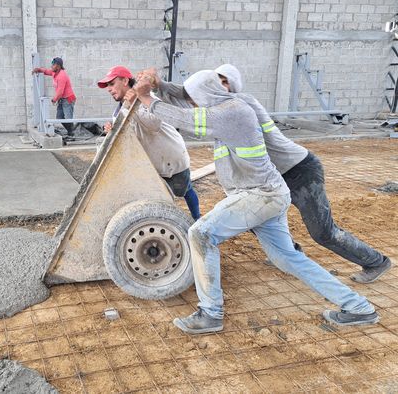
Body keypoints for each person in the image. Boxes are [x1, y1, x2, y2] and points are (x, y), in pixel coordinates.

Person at [128, 70, 378, 333]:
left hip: (259, 195)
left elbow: (184, 117)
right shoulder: (225, 105)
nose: (191, 102)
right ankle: (358, 307)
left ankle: (210, 313)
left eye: (194, 98)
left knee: (201, 233)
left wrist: (146, 97)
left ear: (207, 94)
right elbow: (183, 99)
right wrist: (159, 85)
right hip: (267, 193)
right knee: (287, 258)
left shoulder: (231, 112)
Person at [151, 64, 391, 284]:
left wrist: (153, 93)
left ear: (233, 86)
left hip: (299, 172)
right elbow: (188, 96)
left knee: (323, 232)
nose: (221, 86)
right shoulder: (220, 106)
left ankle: (376, 262)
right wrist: (159, 85)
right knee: (251, 216)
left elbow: (187, 112)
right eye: (217, 81)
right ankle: (290, 253)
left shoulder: (240, 105)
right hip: (268, 179)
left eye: (225, 81)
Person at [97, 65, 200, 219]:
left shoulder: (148, 98)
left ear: (125, 81)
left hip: (172, 157)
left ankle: (197, 218)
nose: (109, 89)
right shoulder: (118, 111)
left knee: (185, 190)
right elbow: (127, 137)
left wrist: (134, 103)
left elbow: (154, 124)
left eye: (112, 84)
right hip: (153, 164)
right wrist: (112, 130)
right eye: (107, 86)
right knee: (162, 199)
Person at [33, 57, 77, 136]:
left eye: (53, 65)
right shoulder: (55, 72)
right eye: (52, 64)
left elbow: (60, 92)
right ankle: (71, 131)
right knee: (59, 117)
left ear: (58, 66)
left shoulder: (62, 76)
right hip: (61, 99)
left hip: (68, 99)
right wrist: (38, 69)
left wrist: (54, 99)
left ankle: (72, 133)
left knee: (68, 119)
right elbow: (46, 71)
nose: (52, 66)